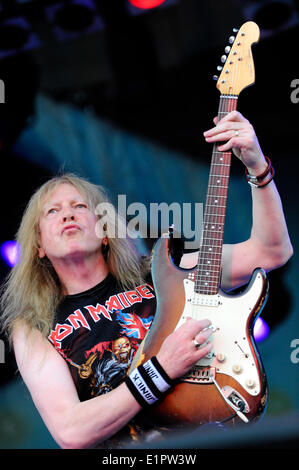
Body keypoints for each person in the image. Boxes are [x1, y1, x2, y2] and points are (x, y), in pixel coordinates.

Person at [0, 111, 293, 449]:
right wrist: (161, 369)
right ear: (38, 247)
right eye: (52, 212)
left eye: (80, 206)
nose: (67, 213)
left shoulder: (164, 268)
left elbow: (271, 252)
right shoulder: (33, 326)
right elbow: (71, 432)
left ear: (105, 232)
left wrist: (258, 168)